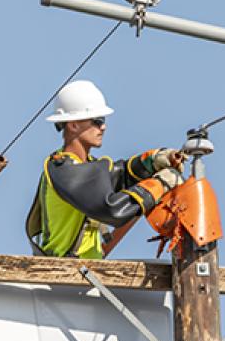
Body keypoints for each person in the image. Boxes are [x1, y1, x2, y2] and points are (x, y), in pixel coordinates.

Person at [25, 80, 185, 259]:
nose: (103, 127)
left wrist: (152, 161)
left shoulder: (87, 167)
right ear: (73, 125)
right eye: (97, 121)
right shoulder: (63, 169)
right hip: (62, 275)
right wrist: (160, 184)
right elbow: (112, 210)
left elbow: (119, 174)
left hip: (85, 273)